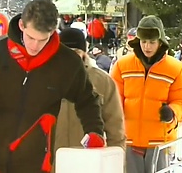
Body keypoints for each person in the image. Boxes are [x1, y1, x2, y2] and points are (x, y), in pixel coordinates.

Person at [0, 0, 105, 173]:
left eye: (43, 39)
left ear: (52, 32)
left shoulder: (66, 63)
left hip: (36, 164)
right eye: (31, 37)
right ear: (21, 25)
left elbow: (87, 100)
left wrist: (94, 131)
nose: (35, 46)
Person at [110, 15, 182, 173]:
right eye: (143, 41)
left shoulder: (176, 69)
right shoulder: (122, 65)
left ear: (160, 42)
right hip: (128, 140)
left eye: (152, 42)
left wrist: (172, 111)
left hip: (159, 142)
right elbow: (113, 101)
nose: (147, 46)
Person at [50, 27, 126, 173]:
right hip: (52, 165)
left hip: (89, 165)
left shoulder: (102, 82)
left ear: (84, 53)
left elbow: (116, 131)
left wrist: (116, 165)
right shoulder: (44, 80)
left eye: (76, 53)